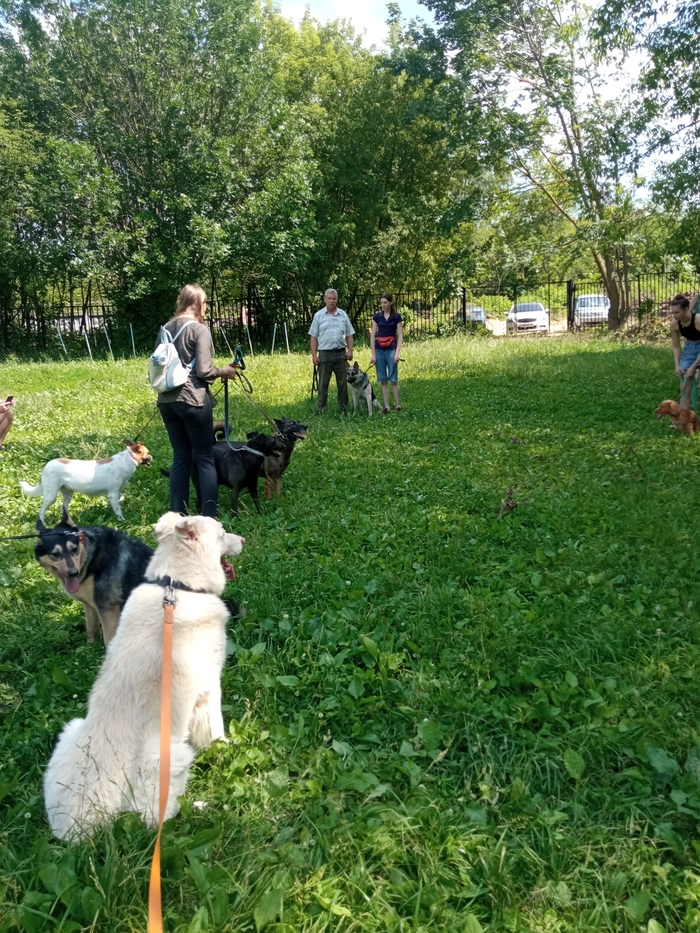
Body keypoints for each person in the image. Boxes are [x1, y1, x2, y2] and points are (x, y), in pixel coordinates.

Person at [157, 285, 239, 517]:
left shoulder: (165, 329)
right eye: (205, 303)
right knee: (204, 457)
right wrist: (223, 372)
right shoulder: (199, 329)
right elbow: (204, 370)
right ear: (197, 304)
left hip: (166, 401)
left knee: (181, 458)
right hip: (193, 399)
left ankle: (177, 515)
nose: (206, 307)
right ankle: (209, 515)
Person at [309, 289, 355, 413]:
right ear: (325, 299)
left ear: (337, 300)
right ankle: (321, 409)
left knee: (342, 383)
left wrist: (350, 350)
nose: (331, 301)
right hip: (324, 354)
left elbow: (349, 334)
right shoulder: (318, 316)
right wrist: (314, 355)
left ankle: (343, 408)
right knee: (323, 383)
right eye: (329, 298)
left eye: (334, 299)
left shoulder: (343, 315)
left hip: (341, 353)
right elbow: (313, 337)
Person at [370, 293, 403, 413]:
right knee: (383, 380)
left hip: (391, 349)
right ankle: (387, 406)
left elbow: (400, 336)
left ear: (391, 303)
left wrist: (397, 353)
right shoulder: (377, 317)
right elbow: (373, 336)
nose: (383, 305)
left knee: (393, 379)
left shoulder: (397, 317)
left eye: (385, 302)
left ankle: (398, 404)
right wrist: (373, 354)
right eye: (381, 303)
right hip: (379, 349)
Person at [670, 292, 700, 409]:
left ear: (686, 309)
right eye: (672, 312)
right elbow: (676, 346)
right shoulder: (674, 324)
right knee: (684, 385)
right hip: (690, 348)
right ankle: (683, 415)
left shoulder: (698, 320)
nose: (674, 315)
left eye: (677, 312)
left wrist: (693, 367)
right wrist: (677, 365)